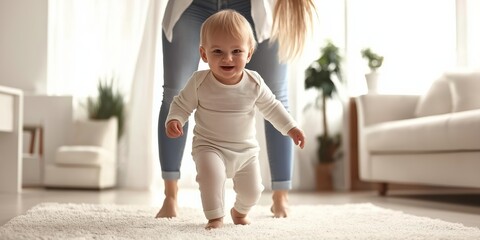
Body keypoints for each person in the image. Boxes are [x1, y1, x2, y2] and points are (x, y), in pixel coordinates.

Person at [157, 0, 316, 219]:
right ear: (204, 54)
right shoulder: (198, 82)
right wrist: (176, 118)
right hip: (191, 5)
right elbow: (180, 104)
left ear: (248, 54)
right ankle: (171, 197)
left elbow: (271, 106)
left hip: (252, 5)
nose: (228, 58)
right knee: (174, 92)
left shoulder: (254, 81)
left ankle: (280, 198)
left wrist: (292, 127)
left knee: (275, 94)